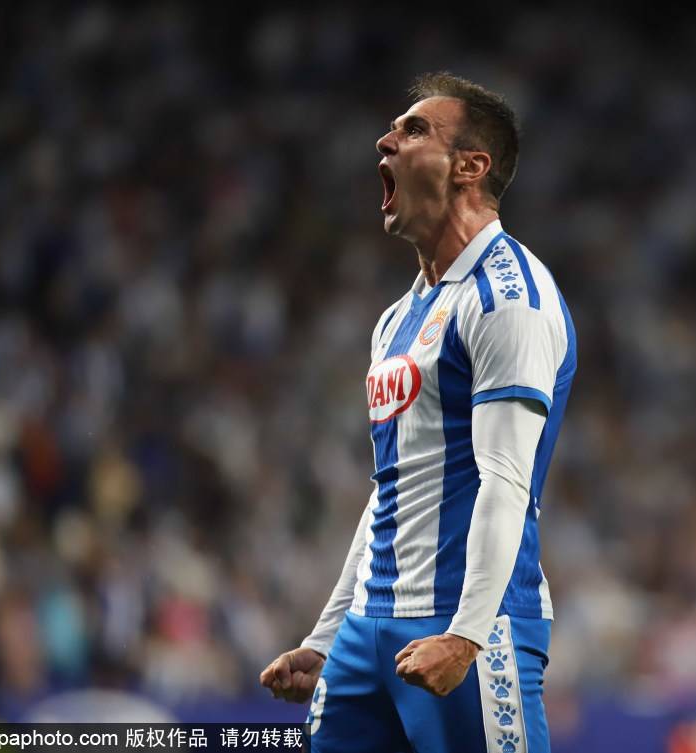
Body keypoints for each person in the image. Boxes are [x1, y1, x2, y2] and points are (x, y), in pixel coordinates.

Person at [259, 72, 576, 753]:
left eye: (413, 130)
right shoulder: (397, 319)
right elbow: (391, 491)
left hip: (465, 623)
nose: (385, 140)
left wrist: (467, 634)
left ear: (470, 166)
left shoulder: (507, 299)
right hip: (368, 629)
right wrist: (327, 636)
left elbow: (505, 479)